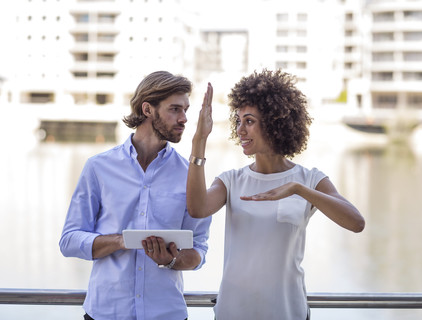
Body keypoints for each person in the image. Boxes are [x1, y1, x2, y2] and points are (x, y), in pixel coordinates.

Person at [187, 69, 365, 320]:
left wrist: (298, 190)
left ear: (274, 123)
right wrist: (199, 140)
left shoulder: (309, 179)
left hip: (287, 312)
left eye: (249, 121)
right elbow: (197, 208)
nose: (240, 130)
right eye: (238, 121)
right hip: (233, 312)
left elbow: (356, 223)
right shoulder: (231, 181)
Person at [59, 71, 212, 320]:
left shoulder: (190, 175)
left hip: (166, 314)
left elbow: (199, 251)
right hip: (106, 312)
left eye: (186, 110)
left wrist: (171, 260)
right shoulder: (99, 167)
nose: (184, 118)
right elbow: (69, 241)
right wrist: (121, 241)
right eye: (175, 109)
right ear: (148, 109)